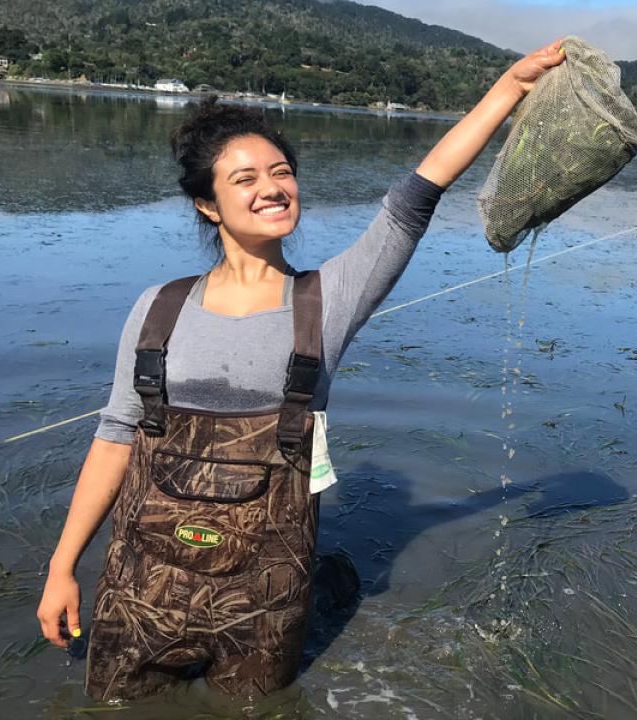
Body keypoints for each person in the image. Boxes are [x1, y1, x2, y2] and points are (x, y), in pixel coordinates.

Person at [35, 39, 567, 701]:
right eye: (245, 178)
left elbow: (418, 193)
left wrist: (510, 88)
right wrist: (63, 567)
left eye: (281, 171)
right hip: (143, 592)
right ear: (207, 204)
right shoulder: (158, 309)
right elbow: (116, 438)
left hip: (266, 601)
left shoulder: (329, 299)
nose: (272, 188)